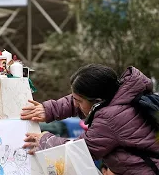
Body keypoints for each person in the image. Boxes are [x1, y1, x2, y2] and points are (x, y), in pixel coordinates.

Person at [21, 64, 159, 175]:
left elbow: (81, 151)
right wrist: (50, 109)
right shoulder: (120, 94)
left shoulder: (110, 119)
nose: (75, 104)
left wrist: (45, 140)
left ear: (97, 101)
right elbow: (79, 100)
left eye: (79, 101)